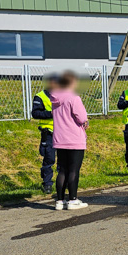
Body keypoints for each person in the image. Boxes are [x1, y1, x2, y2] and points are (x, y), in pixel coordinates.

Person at [50, 71, 89, 211]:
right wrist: (86, 122)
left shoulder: (54, 98)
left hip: (59, 139)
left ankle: (59, 201)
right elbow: (82, 117)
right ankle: (72, 199)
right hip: (74, 138)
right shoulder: (73, 97)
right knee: (73, 170)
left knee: (62, 170)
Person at [31, 74, 56, 194]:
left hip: (63, 132)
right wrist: (51, 113)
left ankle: (64, 182)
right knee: (49, 158)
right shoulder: (40, 96)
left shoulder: (63, 96)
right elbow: (35, 113)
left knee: (63, 159)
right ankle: (47, 183)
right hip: (48, 133)